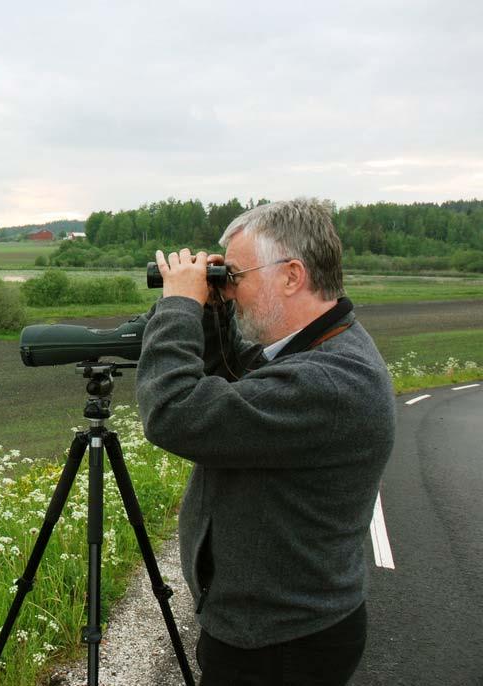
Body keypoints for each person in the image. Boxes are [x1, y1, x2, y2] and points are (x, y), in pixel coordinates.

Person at [135, 198, 395, 685]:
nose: (227, 290)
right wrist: (209, 313)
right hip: (274, 626)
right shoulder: (316, 346)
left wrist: (178, 306)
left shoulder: (331, 381)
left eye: (234, 276)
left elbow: (174, 413)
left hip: (279, 647)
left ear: (292, 276)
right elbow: (236, 371)